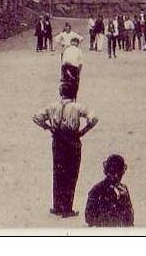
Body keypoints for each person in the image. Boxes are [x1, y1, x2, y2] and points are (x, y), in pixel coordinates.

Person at [32, 82, 99, 218]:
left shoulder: (52, 106)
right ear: (74, 93)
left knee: (58, 172)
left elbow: (36, 117)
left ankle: (57, 206)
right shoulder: (77, 107)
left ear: (60, 93)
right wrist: (83, 131)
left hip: (57, 140)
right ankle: (67, 207)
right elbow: (94, 118)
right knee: (71, 173)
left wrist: (48, 127)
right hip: (72, 140)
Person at [85, 154, 135, 227]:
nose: (116, 176)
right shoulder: (97, 190)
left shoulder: (123, 190)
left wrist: (124, 201)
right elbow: (89, 217)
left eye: (119, 173)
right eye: (113, 173)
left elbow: (129, 220)